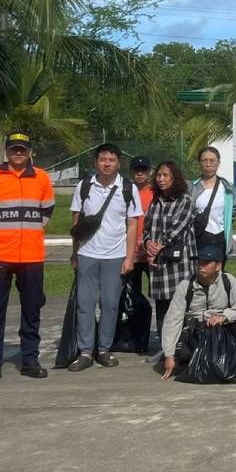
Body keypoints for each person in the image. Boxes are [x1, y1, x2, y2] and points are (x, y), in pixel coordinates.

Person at [0, 132, 55, 384]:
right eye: (14, 149)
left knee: (32, 310)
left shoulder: (42, 178)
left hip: (31, 256)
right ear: (6, 151)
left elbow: (47, 210)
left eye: (22, 149)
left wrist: (30, 230)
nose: (18, 153)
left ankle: (30, 360)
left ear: (30, 152)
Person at [67, 144, 143, 372]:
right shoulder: (84, 187)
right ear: (96, 162)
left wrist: (129, 258)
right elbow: (76, 223)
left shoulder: (128, 188)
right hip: (87, 253)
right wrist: (74, 253)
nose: (107, 163)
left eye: (111, 159)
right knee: (85, 304)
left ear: (118, 163)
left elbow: (132, 225)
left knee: (110, 304)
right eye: (102, 159)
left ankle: (104, 349)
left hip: (115, 255)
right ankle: (85, 351)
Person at [159, 245, 236, 379]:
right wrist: (169, 354)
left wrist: (224, 316)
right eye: (199, 262)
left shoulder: (229, 281)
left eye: (206, 262)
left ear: (218, 265)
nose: (201, 266)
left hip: (220, 328)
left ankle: (235, 358)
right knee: (184, 356)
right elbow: (173, 319)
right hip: (195, 330)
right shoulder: (185, 286)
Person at [143, 161, 197, 359]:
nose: (161, 179)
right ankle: (166, 348)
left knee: (180, 305)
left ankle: (181, 347)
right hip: (159, 264)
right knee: (162, 305)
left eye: (166, 175)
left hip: (179, 263)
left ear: (175, 178)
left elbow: (177, 228)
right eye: (159, 175)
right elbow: (147, 227)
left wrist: (158, 245)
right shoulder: (155, 201)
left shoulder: (185, 200)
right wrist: (148, 242)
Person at [191, 147, 236, 262]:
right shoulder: (191, 187)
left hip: (220, 238)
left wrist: (225, 224)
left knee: (218, 273)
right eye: (204, 160)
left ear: (218, 163)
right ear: (199, 163)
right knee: (201, 273)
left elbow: (234, 210)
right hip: (199, 237)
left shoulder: (228, 187)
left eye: (212, 160)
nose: (208, 164)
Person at [128, 155, 154, 312]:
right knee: (133, 294)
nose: (140, 174)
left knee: (158, 294)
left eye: (143, 170)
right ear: (131, 172)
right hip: (131, 253)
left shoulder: (155, 193)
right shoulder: (127, 192)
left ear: (149, 172)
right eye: (136, 170)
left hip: (150, 252)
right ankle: (135, 330)